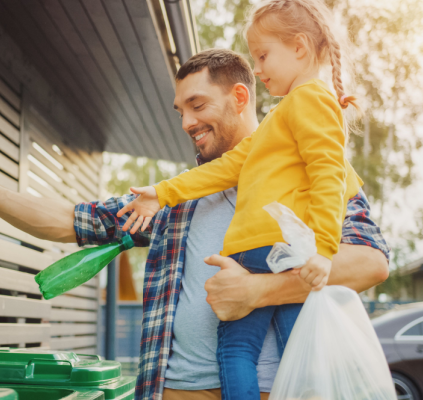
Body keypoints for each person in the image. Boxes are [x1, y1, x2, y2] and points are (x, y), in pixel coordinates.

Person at [0, 49, 389, 400]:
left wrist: (258, 291)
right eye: (180, 110)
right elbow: (70, 221)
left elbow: (370, 263)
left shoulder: (313, 172)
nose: (186, 123)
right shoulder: (173, 198)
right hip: (177, 389)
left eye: (197, 105)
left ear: (240, 98)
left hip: (276, 389)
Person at [116, 1, 366, 398]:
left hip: (259, 250)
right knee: (298, 347)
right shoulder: (282, 116)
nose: (258, 69)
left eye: (263, 56)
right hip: (274, 252)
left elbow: (328, 176)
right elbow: (227, 167)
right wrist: (162, 193)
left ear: (299, 47)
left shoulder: (310, 100)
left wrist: (323, 249)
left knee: (237, 351)